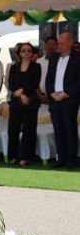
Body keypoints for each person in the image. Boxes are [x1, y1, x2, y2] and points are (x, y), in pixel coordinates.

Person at [46, 32, 80, 169]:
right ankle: (61, 157)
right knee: (58, 130)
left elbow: (78, 81)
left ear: (70, 43)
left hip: (69, 99)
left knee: (69, 128)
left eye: (62, 43)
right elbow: (49, 79)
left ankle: (71, 159)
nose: (59, 46)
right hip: (55, 99)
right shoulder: (54, 58)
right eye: (58, 43)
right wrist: (51, 94)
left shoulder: (78, 58)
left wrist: (67, 94)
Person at [7, 42, 41, 167]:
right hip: (16, 101)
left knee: (28, 130)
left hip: (30, 102)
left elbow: (34, 83)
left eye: (29, 50)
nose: (26, 52)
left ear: (32, 53)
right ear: (19, 53)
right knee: (13, 130)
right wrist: (20, 94)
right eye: (23, 50)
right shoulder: (14, 67)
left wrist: (23, 91)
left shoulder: (36, 67)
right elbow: (11, 84)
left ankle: (25, 157)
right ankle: (13, 156)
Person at [37, 36, 57, 105]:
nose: (51, 46)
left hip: (57, 96)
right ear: (45, 47)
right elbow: (35, 80)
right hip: (41, 97)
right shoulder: (39, 62)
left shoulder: (61, 61)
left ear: (57, 46)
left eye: (53, 44)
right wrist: (40, 95)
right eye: (48, 44)